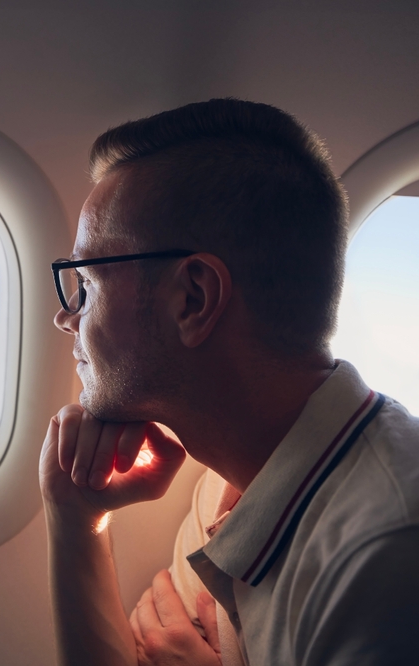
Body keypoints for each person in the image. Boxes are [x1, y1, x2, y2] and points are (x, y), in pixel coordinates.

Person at [40, 98, 419, 666]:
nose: (66, 317)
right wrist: (76, 522)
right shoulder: (227, 487)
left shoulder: (383, 558)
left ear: (194, 298)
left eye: (87, 282)